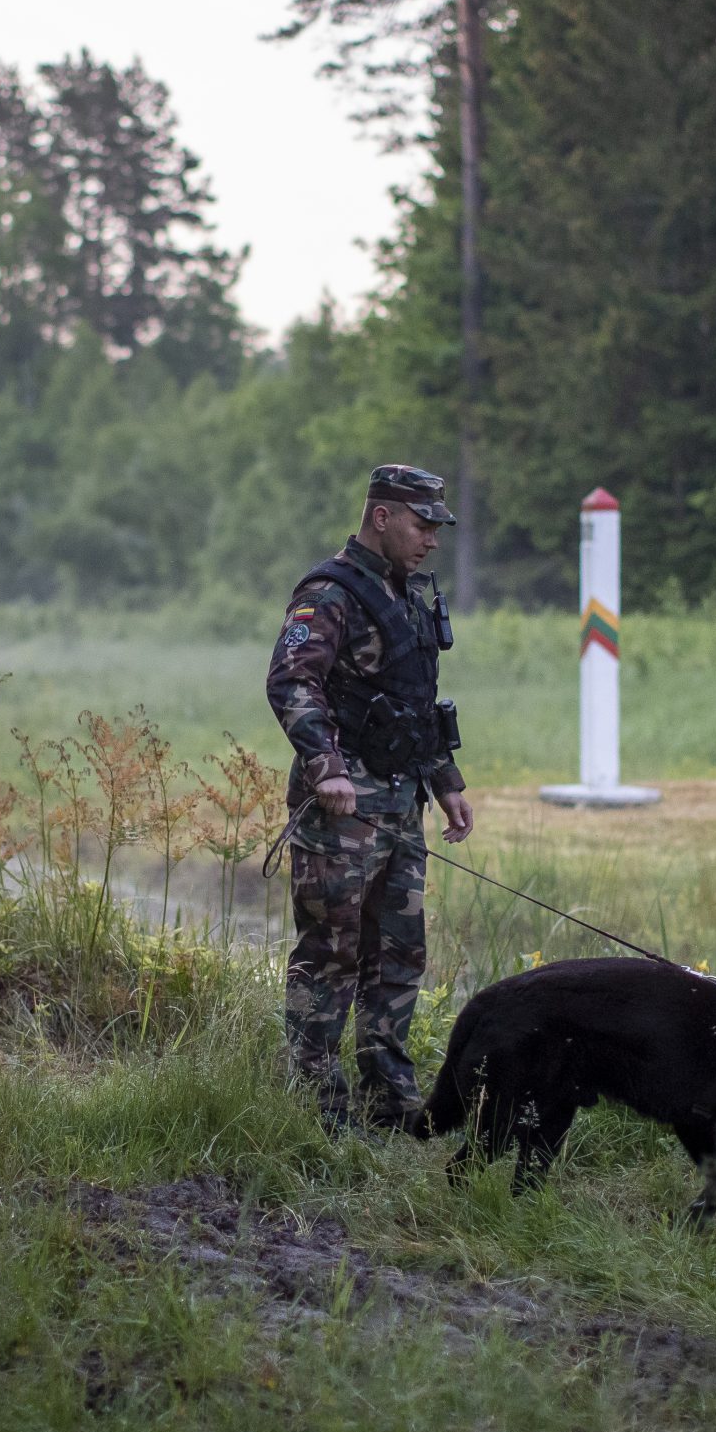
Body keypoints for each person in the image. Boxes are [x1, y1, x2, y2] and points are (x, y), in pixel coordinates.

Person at [265, 463, 475, 1133]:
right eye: (421, 524)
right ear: (381, 515)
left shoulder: (408, 594)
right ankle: (313, 1099)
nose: (432, 540)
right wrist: (326, 767)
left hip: (402, 801)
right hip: (343, 809)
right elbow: (294, 682)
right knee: (331, 950)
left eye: (437, 526)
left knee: (398, 952)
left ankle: (388, 1097)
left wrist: (445, 781)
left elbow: (413, 698)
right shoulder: (329, 592)